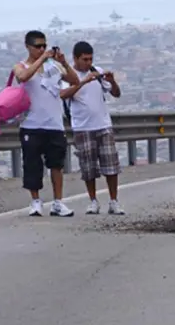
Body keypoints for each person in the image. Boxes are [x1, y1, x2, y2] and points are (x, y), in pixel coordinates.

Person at [14, 30, 80, 216]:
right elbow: (23, 77)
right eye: (38, 46)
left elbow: (75, 81)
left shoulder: (54, 67)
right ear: (28, 47)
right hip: (31, 124)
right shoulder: (20, 65)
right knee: (32, 165)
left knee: (56, 165)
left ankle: (58, 202)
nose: (42, 49)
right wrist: (41, 59)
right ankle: (35, 201)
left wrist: (63, 62)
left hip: (54, 123)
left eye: (44, 46)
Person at [60, 41, 125, 215]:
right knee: (88, 167)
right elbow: (63, 95)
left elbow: (116, 93)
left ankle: (113, 200)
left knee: (111, 165)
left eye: (90, 59)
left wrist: (112, 81)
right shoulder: (68, 76)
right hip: (82, 126)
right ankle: (93, 200)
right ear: (75, 58)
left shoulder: (97, 71)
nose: (88, 63)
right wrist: (82, 82)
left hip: (103, 124)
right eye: (84, 59)